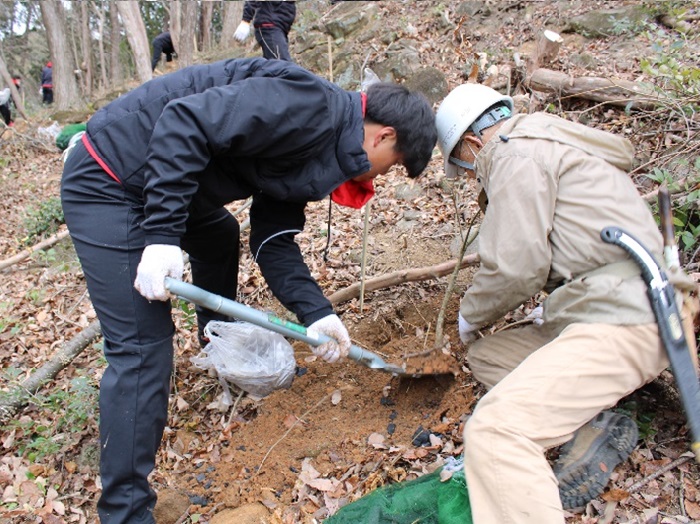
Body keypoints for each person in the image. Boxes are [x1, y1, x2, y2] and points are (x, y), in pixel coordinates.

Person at [61, 57, 436, 523]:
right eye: (393, 166)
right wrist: (161, 237)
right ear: (384, 136)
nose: (380, 177)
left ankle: (217, 344)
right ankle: (125, 511)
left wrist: (317, 312)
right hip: (111, 176)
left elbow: (273, 239)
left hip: (179, 184)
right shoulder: (309, 107)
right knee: (141, 350)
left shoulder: (324, 152)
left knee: (218, 235)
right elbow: (184, 120)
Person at [435, 83, 698, 523]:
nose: (470, 175)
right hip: (612, 305)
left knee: (497, 431)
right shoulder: (549, 141)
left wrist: (470, 314)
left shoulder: (512, 154)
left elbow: (516, 267)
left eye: (464, 166)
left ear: (473, 142)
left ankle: (584, 417)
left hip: (625, 318)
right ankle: (594, 418)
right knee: (489, 356)